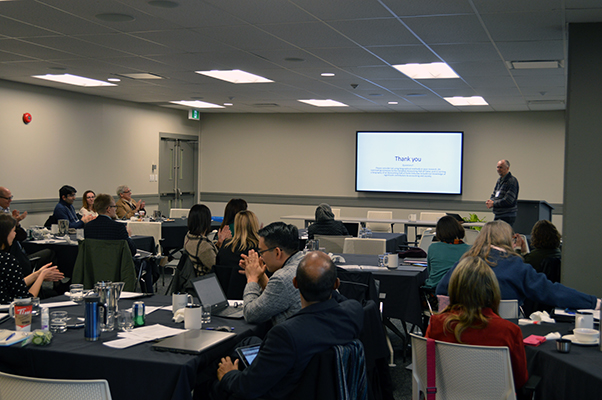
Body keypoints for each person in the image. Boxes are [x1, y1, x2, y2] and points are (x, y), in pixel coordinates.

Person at [216, 251, 364, 399]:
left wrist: (229, 374)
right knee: (251, 342)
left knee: (215, 386)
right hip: (331, 390)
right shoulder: (353, 312)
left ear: (295, 283)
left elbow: (247, 387)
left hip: (287, 393)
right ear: (336, 284)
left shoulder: (286, 334)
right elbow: (338, 298)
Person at [436, 221, 599, 310]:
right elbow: (550, 291)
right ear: (508, 239)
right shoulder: (514, 265)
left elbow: (441, 291)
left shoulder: (464, 262)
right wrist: (592, 302)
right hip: (502, 339)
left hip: (460, 341)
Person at [426, 256, 528, 390]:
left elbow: (426, 371)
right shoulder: (509, 331)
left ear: (454, 288)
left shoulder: (437, 325)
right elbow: (519, 380)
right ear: (492, 291)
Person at [239, 222, 303, 325]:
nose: (261, 257)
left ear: (277, 252)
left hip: (291, 338)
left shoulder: (282, 278)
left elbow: (250, 314)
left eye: (262, 252)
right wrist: (261, 276)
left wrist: (252, 279)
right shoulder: (306, 261)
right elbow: (276, 299)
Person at [0, 214, 60, 304]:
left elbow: (15, 284)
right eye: (13, 231)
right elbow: (26, 300)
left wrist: (36, 274)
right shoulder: (7, 260)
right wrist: (41, 276)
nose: (15, 234)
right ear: (5, 234)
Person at [423, 216, 470, 290]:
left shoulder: (433, 248)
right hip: (461, 292)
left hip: (436, 291)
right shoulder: (469, 249)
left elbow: (430, 272)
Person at [184, 204, 217, 276]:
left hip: (193, 279)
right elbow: (217, 267)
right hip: (205, 280)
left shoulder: (188, 236)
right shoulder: (203, 246)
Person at [486, 159, 519, 227]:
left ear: (507, 168)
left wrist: (493, 203)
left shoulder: (512, 181)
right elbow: (494, 194)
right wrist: (490, 201)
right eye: (497, 167)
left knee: (503, 237)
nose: (498, 169)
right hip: (498, 214)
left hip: (507, 215)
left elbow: (508, 200)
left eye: (501, 167)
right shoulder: (499, 180)